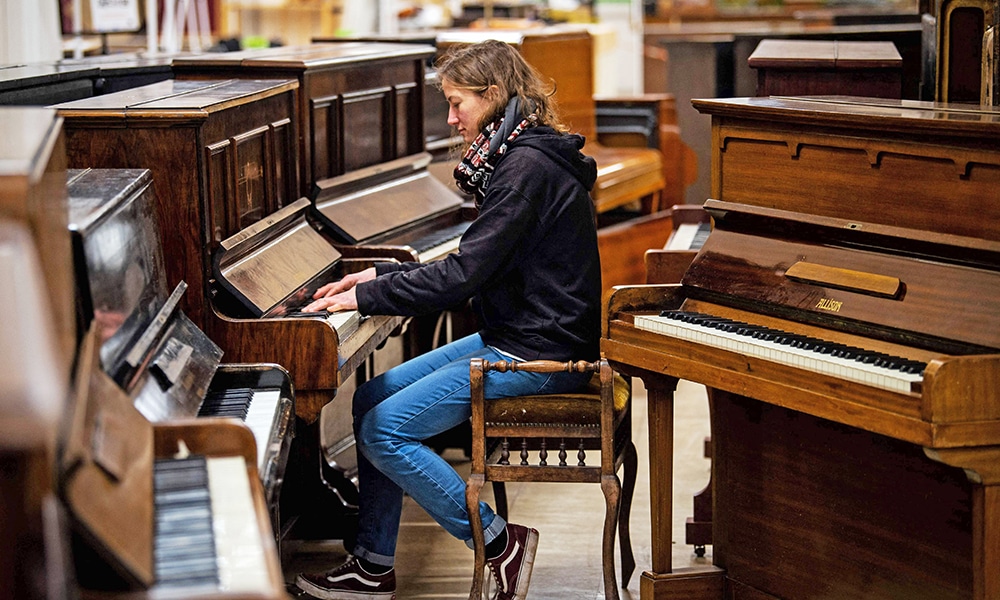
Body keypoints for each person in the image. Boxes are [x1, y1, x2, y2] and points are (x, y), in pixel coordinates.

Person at [294, 38, 602, 600]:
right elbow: (475, 258)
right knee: (369, 399)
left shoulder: (524, 168)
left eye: (457, 103)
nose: (451, 117)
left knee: (383, 428)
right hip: (520, 334)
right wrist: (373, 280)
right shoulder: (520, 155)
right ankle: (372, 565)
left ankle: (499, 545)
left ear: (493, 96)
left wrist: (367, 298)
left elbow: (464, 274)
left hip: (542, 353)